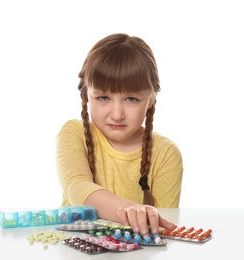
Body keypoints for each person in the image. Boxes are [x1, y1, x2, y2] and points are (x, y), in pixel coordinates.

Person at [56, 33, 183, 236]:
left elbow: (163, 228)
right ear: (86, 94)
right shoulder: (73, 133)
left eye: (131, 99)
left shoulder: (166, 154)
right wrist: (130, 209)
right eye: (103, 97)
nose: (116, 114)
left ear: (151, 98)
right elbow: (77, 186)